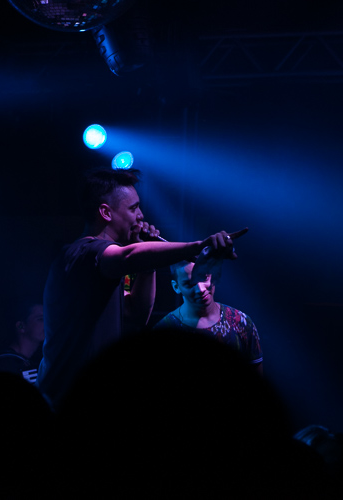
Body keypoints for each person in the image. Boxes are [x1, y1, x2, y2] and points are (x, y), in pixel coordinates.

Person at [36, 166, 246, 410]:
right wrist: (199, 246)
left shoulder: (104, 266)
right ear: (106, 212)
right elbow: (128, 256)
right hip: (63, 399)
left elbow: (136, 314)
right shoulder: (84, 252)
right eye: (133, 208)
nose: (141, 215)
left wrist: (148, 264)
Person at [154, 259, 264, 374]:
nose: (200, 289)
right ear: (176, 287)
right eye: (190, 284)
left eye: (203, 278)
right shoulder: (165, 328)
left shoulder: (241, 322)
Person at [0, 303, 44, 383]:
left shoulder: (38, 361)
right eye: (41, 319)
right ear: (21, 326)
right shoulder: (3, 365)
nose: (47, 323)